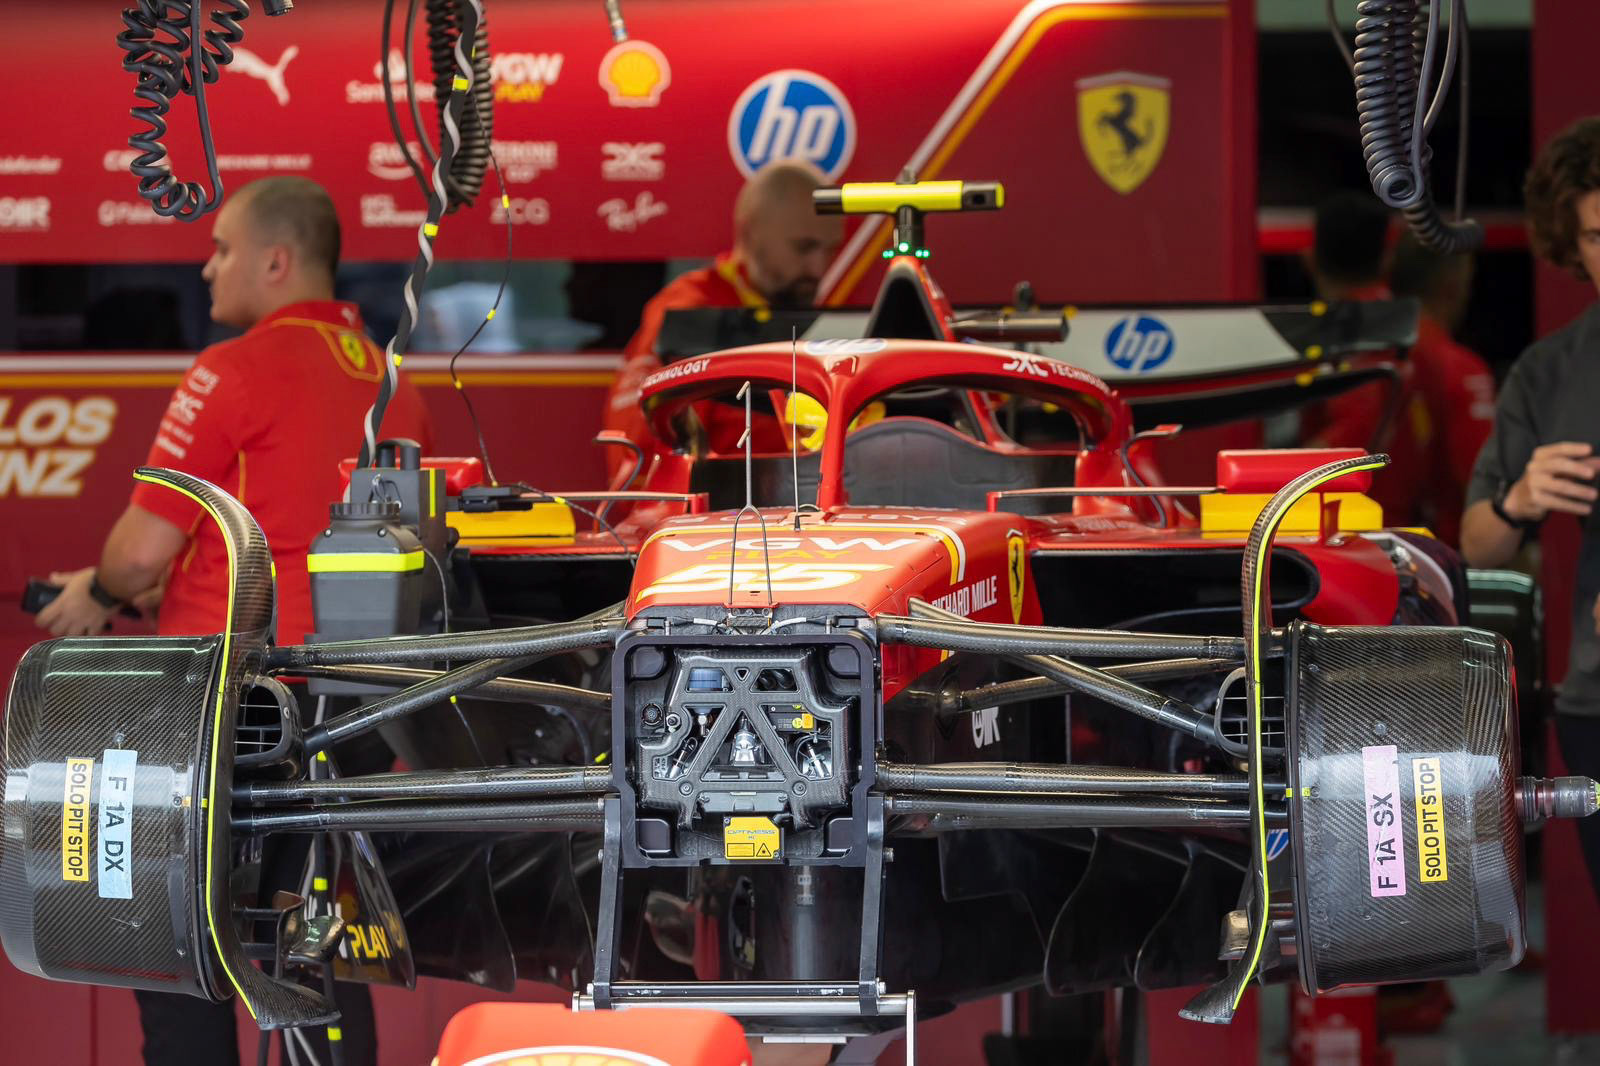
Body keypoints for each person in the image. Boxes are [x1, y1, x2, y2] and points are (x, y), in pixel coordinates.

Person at [36, 175, 433, 1066]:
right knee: (317, 944)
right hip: (353, 703)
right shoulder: (390, 383)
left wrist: (99, 593)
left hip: (227, 709)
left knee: (169, 934)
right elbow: (287, 538)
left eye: (220, 249)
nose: (207, 268)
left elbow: (140, 550)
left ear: (276, 260)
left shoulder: (233, 369)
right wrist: (144, 586)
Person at [1461, 116, 1600, 882]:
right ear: (1573, 248)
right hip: (1597, 697)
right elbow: (1479, 544)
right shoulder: (1552, 373)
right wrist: (1519, 500)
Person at [600, 162, 844, 479]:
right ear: (751, 230)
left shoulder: (807, 317)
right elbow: (644, 468)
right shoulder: (692, 311)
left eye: (829, 249)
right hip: (719, 523)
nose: (818, 268)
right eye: (804, 247)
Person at [1297, 191, 1431, 526]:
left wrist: (1268, 478)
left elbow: (1347, 443)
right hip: (1418, 538)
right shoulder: (1429, 340)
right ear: (1387, 259)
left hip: (1350, 535)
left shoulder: (1336, 342)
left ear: (1310, 259)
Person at [1385, 233, 1497, 547]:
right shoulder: (1460, 369)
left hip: (1349, 544)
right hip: (1431, 557)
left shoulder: (1361, 359)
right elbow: (1481, 480)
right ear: (1453, 283)